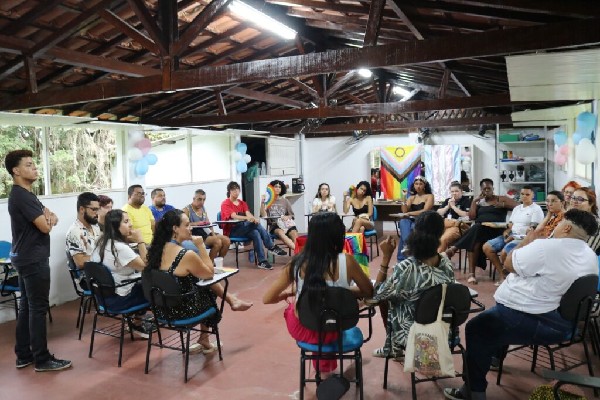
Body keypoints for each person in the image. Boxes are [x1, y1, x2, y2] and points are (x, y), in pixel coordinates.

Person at [444, 209, 599, 400]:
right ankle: (494, 358)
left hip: (536, 322)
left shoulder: (546, 247)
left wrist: (528, 240)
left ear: (566, 227)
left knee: (476, 328)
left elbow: (508, 263)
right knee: (496, 319)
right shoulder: (590, 255)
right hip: (567, 325)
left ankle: (472, 391)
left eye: (560, 223)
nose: (556, 226)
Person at [262, 212, 373, 371]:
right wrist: (343, 292)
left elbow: (267, 299)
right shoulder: (347, 261)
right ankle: (325, 366)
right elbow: (368, 291)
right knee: (331, 309)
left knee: (297, 308)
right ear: (338, 235)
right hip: (336, 327)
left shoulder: (297, 263)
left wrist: (287, 294)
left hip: (304, 328)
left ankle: (322, 366)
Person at [5, 149, 72, 372]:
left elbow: (51, 215)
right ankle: (42, 359)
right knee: (38, 308)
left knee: (27, 307)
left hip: (25, 257)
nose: (34, 168)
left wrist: (48, 217)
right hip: (33, 258)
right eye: (29, 165)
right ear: (15, 170)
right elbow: (45, 225)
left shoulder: (26, 194)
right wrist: (48, 220)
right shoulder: (21, 196)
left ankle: (24, 355)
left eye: (34, 164)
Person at [146, 210, 240, 354]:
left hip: (160, 310)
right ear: (175, 228)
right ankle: (205, 337)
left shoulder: (155, 250)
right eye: (187, 225)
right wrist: (201, 246)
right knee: (209, 291)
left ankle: (206, 336)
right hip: (183, 312)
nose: (191, 228)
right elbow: (209, 273)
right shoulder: (186, 254)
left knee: (197, 283)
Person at [371, 211, 455, 359]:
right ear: (441, 234)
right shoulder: (446, 264)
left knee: (387, 299)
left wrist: (386, 258)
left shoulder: (406, 267)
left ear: (414, 232)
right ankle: (394, 348)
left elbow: (377, 295)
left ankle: (393, 347)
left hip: (414, 334)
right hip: (443, 331)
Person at [91, 209, 153, 337]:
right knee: (152, 285)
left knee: (138, 280)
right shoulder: (119, 248)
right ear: (115, 226)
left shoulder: (101, 241)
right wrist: (140, 241)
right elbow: (147, 268)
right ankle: (137, 323)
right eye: (126, 221)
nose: (130, 224)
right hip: (119, 300)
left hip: (103, 298)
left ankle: (134, 320)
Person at [448, 178, 517, 284]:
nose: (487, 191)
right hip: (481, 231)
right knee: (475, 239)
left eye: (489, 188)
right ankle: (472, 275)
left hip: (496, 231)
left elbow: (518, 206)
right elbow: (471, 217)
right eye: (484, 189)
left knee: (475, 230)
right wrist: (474, 202)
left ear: (493, 188)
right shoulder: (479, 202)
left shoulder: (501, 199)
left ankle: (454, 249)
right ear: (481, 190)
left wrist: (503, 205)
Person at [482, 185, 544, 285]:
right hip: (512, 234)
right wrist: (507, 232)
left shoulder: (536, 209)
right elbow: (511, 225)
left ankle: (509, 276)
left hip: (522, 238)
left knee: (504, 252)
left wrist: (514, 237)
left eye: (527, 194)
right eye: (522, 194)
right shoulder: (517, 208)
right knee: (487, 247)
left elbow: (532, 231)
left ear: (533, 195)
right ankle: (502, 273)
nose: (524, 196)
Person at [220, 181, 287, 270]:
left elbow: (248, 214)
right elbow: (234, 216)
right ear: (229, 191)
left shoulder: (242, 203)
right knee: (254, 225)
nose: (236, 192)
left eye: (237, 190)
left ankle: (262, 261)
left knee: (255, 232)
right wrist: (248, 219)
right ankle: (271, 246)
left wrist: (254, 219)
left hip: (245, 228)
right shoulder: (226, 203)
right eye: (233, 190)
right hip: (233, 230)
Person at [183, 189, 231, 261]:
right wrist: (196, 223)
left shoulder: (203, 208)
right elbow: (183, 225)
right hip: (195, 235)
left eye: (204, 199)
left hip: (205, 232)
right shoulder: (186, 210)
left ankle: (217, 262)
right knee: (217, 242)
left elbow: (208, 223)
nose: (202, 202)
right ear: (194, 199)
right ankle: (210, 264)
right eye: (199, 199)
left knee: (227, 241)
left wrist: (213, 234)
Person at [395, 176, 434, 262]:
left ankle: (403, 258)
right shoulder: (412, 197)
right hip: (411, 220)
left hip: (423, 220)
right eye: (416, 184)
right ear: (414, 185)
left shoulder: (429, 196)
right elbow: (404, 210)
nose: (418, 186)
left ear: (424, 185)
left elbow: (425, 211)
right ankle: (407, 247)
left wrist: (409, 213)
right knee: (403, 221)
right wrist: (404, 197)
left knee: (410, 230)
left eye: (420, 184)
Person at [66, 192, 101, 269]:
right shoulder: (75, 231)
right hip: (89, 274)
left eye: (98, 209)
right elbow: (80, 262)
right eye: (94, 209)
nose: (97, 213)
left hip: (101, 268)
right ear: (82, 209)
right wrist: (103, 257)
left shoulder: (95, 227)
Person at [260, 180, 298, 250]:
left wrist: (287, 217)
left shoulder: (285, 201)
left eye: (279, 187)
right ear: (271, 188)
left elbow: (292, 216)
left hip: (286, 224)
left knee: (294, 234)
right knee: (280, 233)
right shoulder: (268, 201)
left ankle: (298, 252)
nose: (278, 188)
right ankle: (298, 251)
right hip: (275, 226)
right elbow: (264, 216)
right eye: (276, 187)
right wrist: (262, 203)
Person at [437, 181, 471, 253]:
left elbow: (466, 215)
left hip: (459, 226)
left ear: (461, 191)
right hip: (445, 225)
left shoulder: (466, 201)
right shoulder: (448, 200)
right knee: (431, 237)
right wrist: (448, 206)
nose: (454, 193)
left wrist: (453, 207)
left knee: (443, 239)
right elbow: (439, 212)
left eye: (456, 191)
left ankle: (438, 258)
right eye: (452, 192)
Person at [569, 187, 600, 254]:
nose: (574, 201)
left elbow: (586, 252)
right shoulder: (568, 219)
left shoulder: (596, 224)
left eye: (580, 199)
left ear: (591, 204)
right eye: (573, 197)